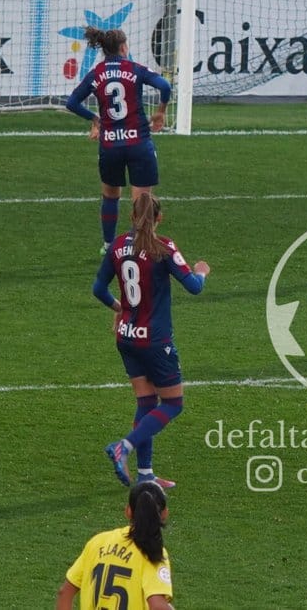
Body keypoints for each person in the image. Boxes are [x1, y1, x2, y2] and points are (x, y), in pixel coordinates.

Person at [97, 192, 208, 490]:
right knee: (173, 402)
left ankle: (145, 473)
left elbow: (98, 288)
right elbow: (195, 287)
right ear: (159, 218)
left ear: (132, 216)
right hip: (156, 341)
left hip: (127, 338)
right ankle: (125, 446)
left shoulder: (118, 245)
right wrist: (201, 271)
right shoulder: (163, 248)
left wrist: (121, 309)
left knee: (146, 401)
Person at [66, 27, 172, 250]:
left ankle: (108, 245)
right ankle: (139, 246)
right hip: (139, 143)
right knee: (141, 200)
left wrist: (96, 119)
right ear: (124, 47)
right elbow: (165, 85)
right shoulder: (134, 69)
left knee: (110, 196)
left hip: (111, 145)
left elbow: (72, 103)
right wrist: (161, 112)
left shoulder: (96, 73)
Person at [55, 480, 174, 610]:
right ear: (165, 513)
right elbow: (158, 606)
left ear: (128, 511)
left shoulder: (97, 542)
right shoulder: (152, 550)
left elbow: (64, 593)